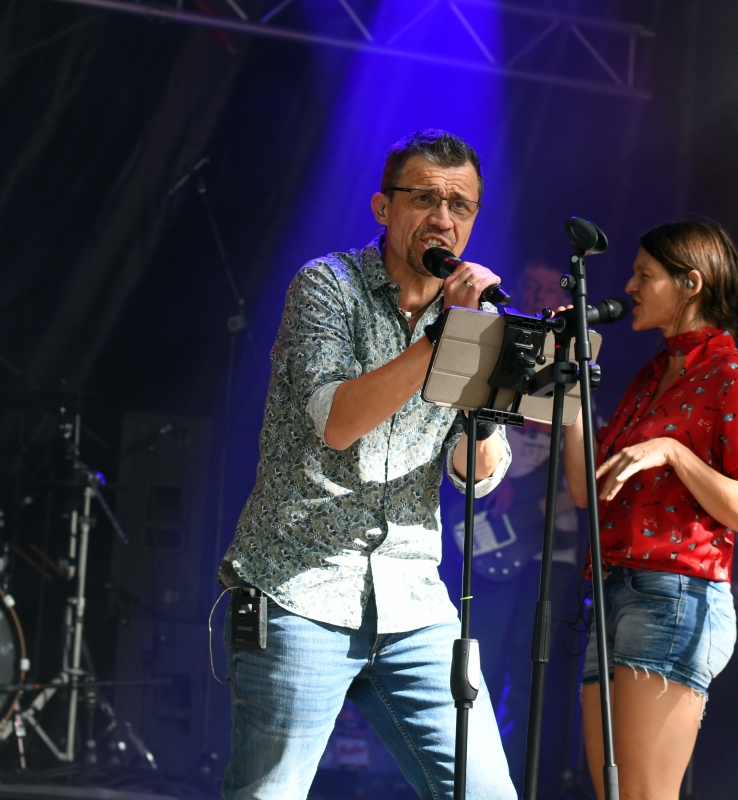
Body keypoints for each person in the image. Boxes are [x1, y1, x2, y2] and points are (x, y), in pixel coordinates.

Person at [218, 129, 517, 800]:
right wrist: (448, 336)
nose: (443, 218)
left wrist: (488, 388)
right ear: (384, 207)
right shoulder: (327, 286)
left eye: (460, 205)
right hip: (300, 587)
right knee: (269, 793)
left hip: (413, 599)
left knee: (486, 793)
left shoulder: (472, 320)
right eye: (426, 199)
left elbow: (476, 473)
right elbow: (339, 422)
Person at [562, 220, 738, 800]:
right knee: (614, 794)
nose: (630, 286)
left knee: (641, 795)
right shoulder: (652, 375)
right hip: (612, 591)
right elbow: (588, 490)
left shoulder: (735, 379)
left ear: (691, 283)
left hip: (674, 596)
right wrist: (569, 389)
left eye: (645, 275)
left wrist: (673, 451)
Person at [440, 258, 584, 790]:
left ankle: (529, 783)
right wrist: (495, 479)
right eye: (532, 286)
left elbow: (582, 472)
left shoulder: (571, 361)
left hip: (552, 553)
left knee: (533, 680)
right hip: (495, 532)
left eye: (549, 289)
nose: (540, 295)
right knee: (481, 666)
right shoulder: (506, 349)